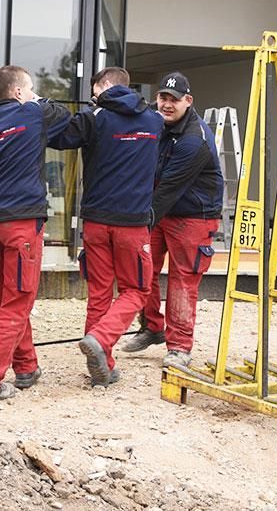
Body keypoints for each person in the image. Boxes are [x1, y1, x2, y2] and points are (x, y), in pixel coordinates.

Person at [0, 66, 71, 402]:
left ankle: (26, 367)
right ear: (20, 92)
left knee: (7, 300)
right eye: (30, 88)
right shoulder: (33, 114)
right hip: (22, 221)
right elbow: (63, 115)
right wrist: (38, 100)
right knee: (18, 301)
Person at [52, 67, 162, 386]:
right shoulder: (154, 121)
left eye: (94, 91)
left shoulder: (94, 119)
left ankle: (103, 366)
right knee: (136, 290)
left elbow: (59, 137)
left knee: (99, 293)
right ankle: (101, 341)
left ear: (102, 86)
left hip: (96, 222)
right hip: (132, 224)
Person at [123, 72, 224, 368]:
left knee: (182, 281)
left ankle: (179, 347)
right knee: (143, 270)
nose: (167, 104)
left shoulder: (195, 140)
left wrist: (138, 224)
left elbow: (168, 189)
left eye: (174, 100)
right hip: (162, 210)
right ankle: (152, 327)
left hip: (192, 217)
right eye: (163, 98)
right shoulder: (156, 124)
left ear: (188, 101)